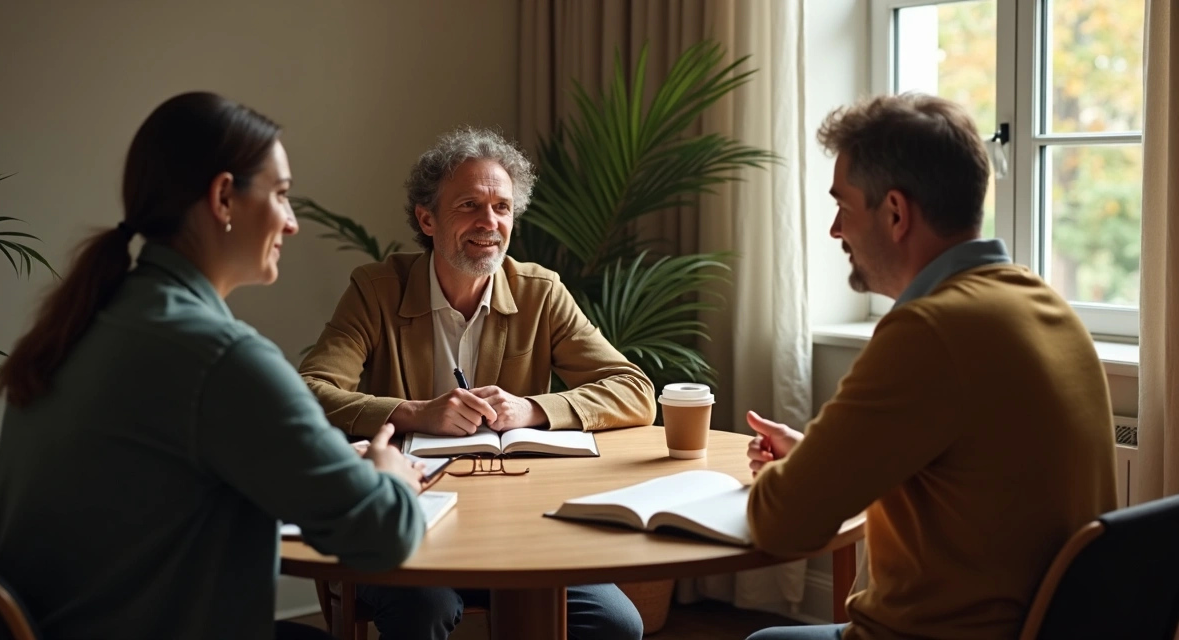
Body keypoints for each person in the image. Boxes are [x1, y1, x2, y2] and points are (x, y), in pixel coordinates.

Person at [0, 92, 427, 640]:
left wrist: (326, 461)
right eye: (282, 196)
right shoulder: (220, 357)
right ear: (223, 197)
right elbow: (382, 537)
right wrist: (390, 474)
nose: (291, 223)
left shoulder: (86, 323)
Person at [743, 94, 1118, 640]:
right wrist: (814, 461)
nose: (834, 231)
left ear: (895, 212)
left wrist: (786, 481)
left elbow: (781, 525)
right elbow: (966, 483)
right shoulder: (1041, 302)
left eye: (842, 206)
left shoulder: (929, 331)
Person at [297, 126, 653, 640]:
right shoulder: (374, 290)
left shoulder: (539, 292)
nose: (490, 223)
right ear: (427, 218)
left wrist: (529, 409)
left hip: (520, 524)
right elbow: (310, 389)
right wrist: (415, 413)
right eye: (469, 206)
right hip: (408, 521)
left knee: (615, 623)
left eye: (503, 208)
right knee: (423, 609)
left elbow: (633, 388)